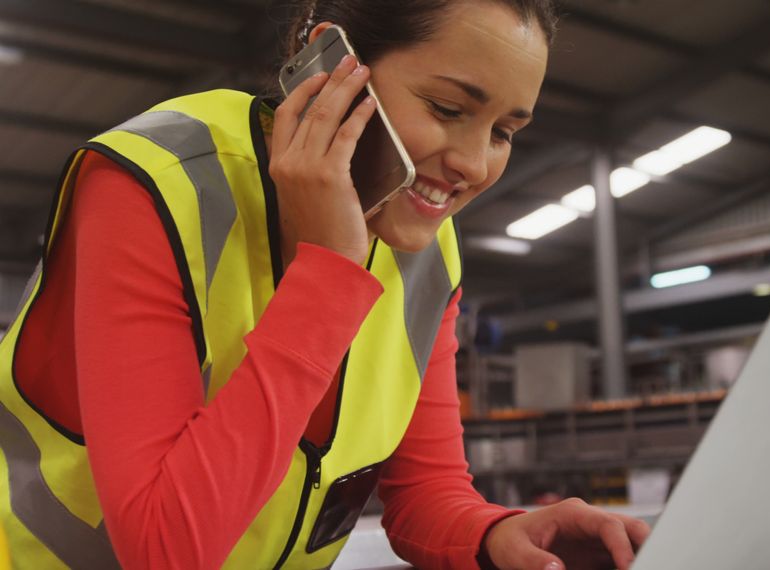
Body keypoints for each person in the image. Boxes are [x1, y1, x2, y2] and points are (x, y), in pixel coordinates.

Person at [0, 1, 651, 569]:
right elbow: (166, 549)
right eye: (448, 108)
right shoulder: (156, 186)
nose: (475, 164)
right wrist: (331, 274)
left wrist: (498, 533)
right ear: (330, 65)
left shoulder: (427, 258)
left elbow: (428, 495)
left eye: (505, 132)